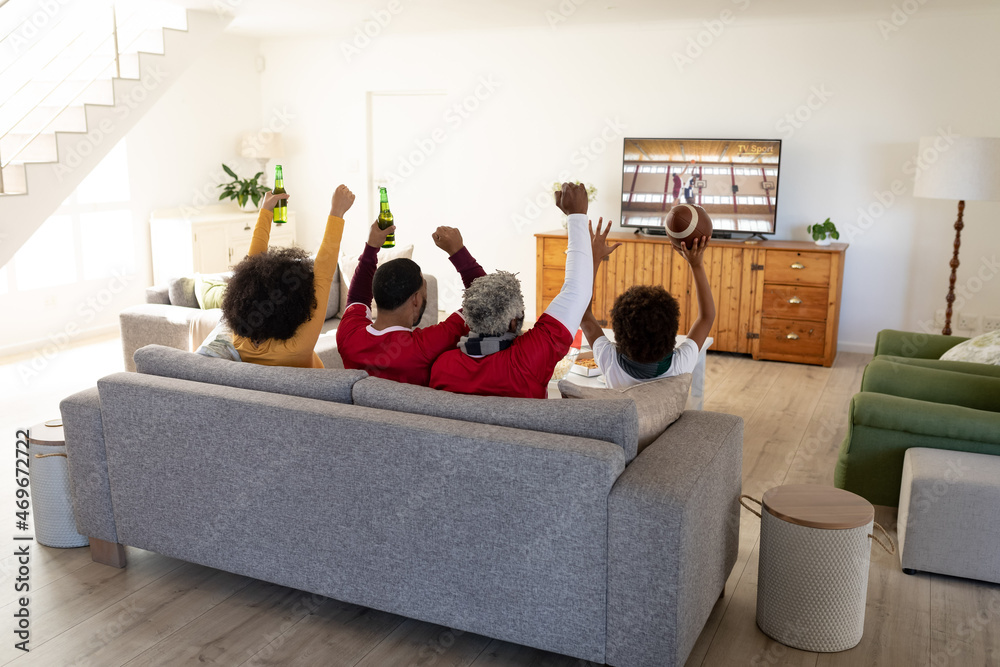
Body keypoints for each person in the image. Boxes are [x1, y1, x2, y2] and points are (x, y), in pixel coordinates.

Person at [429, 182, 594, 399]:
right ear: (514, 323)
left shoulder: (443, 366)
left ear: (469, 319)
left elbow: (483, 299)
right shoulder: (528, 359)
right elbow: (576, 291)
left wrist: (576, 215)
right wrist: (577, 216)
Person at [218, 184, 355, 368]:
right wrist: (337, 212)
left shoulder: (239, 339)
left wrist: (265, 211)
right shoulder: (297, 347)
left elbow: (251, 268)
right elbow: (323, 273)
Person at [335, 222, 486, 385]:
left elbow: (357, 297)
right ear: (415, 300)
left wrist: (371, 246)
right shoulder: (427, 345)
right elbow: (488, 300)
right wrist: (457, 251)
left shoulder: (349, 334)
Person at [579, 235, 715, 388]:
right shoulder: (680, 365)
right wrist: (696, 265)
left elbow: (584, 314)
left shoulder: (609, 360)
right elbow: (707, 316)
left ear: (618, 334)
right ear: (672, 333)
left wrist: (593, 260)